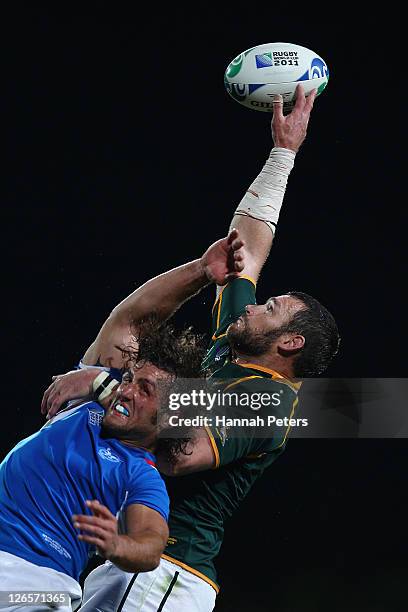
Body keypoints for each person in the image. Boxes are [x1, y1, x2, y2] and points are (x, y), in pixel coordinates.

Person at [42, 85, 340, 611]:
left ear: (289, 344)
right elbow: (243, 248)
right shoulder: (234, 346)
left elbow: (182, 455)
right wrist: (282, 155)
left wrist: (102, 385)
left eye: (269, 307)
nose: (253, 305)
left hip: (167, 575)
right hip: (132, 566)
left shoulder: (272, 401)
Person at [0, 234, 246, 612]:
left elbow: (150, 544)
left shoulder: (139, 474)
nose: (125, 390)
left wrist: (118, 546)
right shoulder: (87, 402)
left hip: (36, 586)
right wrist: (200, 270)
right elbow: (130, 320)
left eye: (144, 389)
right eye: (129, 378)